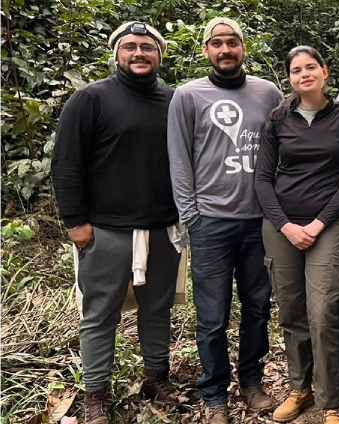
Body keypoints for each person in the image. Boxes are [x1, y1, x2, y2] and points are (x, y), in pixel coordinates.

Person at [52, 21, 181, 424]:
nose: (139, 53)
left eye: (147, 47)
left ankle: (156, 377)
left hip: (163, 227)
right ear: (117, 53)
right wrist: (76, 222)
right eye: (130, 47)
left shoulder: (174, 101)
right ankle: (96, 395)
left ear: (160, 54)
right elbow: (66, 163)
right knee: (100, 314)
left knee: (157, 308)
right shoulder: (90, 99)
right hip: (106, 229)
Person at [167, 17, 283, 423]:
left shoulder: (268, 93)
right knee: (212, 317)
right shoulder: (187, 95)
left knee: (257, 308)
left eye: (232, 42)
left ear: (243, 48)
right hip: (210, 224)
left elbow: (283, 150)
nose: (225, 49)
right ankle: (214, 392)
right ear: (206, 51)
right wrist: (191, 216)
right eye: (217, 43)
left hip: (260, 224)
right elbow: (179, 160)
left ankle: (251, 382)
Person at [255, 45, 339, 424]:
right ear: (289, 77)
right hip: (281, 225)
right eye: (296, 69)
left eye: (311, 67)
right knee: (291, 311)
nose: (304, 74)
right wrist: (285, 224)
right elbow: (262, 179)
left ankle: (330, 402)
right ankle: (299, 389)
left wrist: (318, 223)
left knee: (323, 313)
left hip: (328, 224)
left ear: (324, 71)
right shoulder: (277, 118)